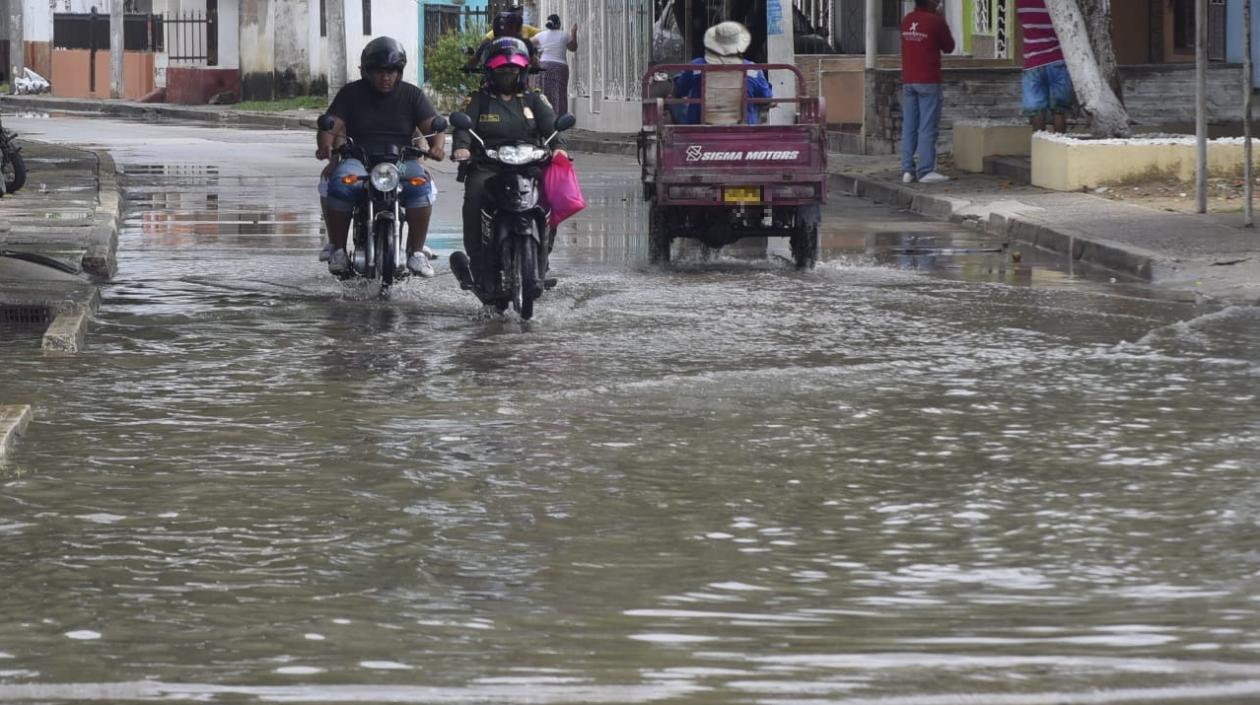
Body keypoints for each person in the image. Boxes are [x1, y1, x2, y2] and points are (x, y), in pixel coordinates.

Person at [316, 36, 445, 277]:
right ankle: (339, 251)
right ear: (367, 71)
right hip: (359, 161)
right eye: (379, 71)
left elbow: (433, 126)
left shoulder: (412, 95)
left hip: (401, 163)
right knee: (340, 184)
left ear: (400, 72)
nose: (386, 77)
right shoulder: (350, 94)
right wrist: (325, 146)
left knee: (421, 186)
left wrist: (437, 147)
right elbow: (331, 124)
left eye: (391, 71)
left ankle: (416, 253)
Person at [449, 37, 568, 296]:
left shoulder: (534, 99)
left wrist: (559, 146)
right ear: (490, 71)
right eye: (502, 70)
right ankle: (477, 262)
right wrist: (462, 147)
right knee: (475, 195)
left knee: (551, 196)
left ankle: (543, 257)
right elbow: (463, 127)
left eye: (513, 70)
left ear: (522, 71)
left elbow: (551, 125)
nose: (508, 75)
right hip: (489, 165)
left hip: (529, 164)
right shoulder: (478, 99)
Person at [671, 21, 772, 126]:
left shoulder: (696, 66)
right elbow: (766, 98)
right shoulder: (753, 70)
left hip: (700, 129)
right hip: (744, 131)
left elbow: (678, 91)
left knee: (674, 103)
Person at [899, 0, 954, 184]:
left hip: (909, 80)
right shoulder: (935, 22)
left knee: (909, 126)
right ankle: (925, 170)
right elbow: (949, 46)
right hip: (928, 80)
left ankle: (907, 170)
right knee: (927, 126)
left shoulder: (907, 20)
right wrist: (942, 19)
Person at [1016, 0, 1073, 133]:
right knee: (1059, 110)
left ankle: (1039, 142)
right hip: (1057, 60)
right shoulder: (1057, 4)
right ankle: (1060, 142)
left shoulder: (1022, 3)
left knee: (1036, 110)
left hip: (1033, 62)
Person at [532, 14, 577, 115]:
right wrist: (573, 33)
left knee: (543, 93)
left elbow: (527, 44)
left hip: (543, 67)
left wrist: (535, 57)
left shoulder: (541, 35)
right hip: (559, 68)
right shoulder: (565, 35)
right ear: (559, 24)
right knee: (559, 94)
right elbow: (573, 48)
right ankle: (559, 118)